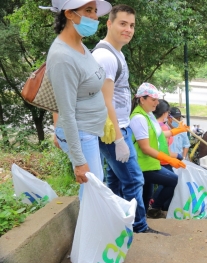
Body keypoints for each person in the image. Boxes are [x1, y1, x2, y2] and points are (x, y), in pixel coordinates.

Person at [92, 4, 161, 234]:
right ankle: (139, 227)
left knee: (116, 180)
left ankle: (117, 222)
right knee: (134, 180)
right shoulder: (105, 56)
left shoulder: (117, 53)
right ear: (109, 23)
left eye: (131, 25)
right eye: (122, 23)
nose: (128, 29)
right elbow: (105, 101)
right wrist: (120, 140)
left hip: (120, 128)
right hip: (113, 131)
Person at [44, 0, 112, 198]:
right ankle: (88, 230)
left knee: (95, 190)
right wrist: (79, 161)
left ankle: (90, 229)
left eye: (95, 11)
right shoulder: (62, 57)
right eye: (88, 10)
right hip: (81, 133)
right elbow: (66, 111)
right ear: (69, 14)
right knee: (94, 193)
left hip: (90, 130)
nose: (94, 17)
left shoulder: (79, 45)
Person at [130, 83, 188, 218]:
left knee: (146, 195)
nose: (157, 103)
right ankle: (153, 211)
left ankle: (144, 221)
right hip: (143, 165)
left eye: (157, 99)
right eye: (153, 99)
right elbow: (145, 148)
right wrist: (169, 159)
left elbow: (159, 135)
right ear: (142, 99)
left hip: (150, 163)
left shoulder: (148, 115)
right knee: (173, 180)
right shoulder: (139, 118)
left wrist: (178, 130)